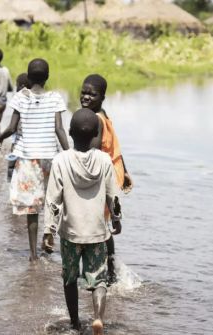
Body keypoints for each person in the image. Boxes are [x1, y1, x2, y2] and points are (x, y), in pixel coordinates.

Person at [42, 108, 122, 335]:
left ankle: (75, 323)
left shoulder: (61, 160)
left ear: (69, 132)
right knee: (99, 280)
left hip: (70, 234)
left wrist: (48, 231)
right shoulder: (105, 160)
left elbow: (52, 201)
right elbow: (112, 196)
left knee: (69, 279)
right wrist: (116, 219)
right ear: (96, 134)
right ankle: (97, 318)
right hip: (97, 233)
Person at [0, 59, 69, 261]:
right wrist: (69, 152)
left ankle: (34, 254)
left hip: (28, 159)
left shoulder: (20, 97)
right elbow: (59, 129)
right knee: (52, 201)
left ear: (28, 77)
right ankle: (49, 235)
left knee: (32, 207)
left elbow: (11, 128)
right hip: (49, 158)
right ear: (47, 77)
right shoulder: (55, 98)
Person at [80, 74, 133, 285]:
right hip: (113, 172)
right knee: (103, 223)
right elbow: (116, 148)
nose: (86, 97)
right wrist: (125, 172)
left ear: (102, 97)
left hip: (104, 177)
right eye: (83, 92)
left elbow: (92, 151)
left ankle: (97, 270)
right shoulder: (103, 114)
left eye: (92, 94)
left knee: (96, 224)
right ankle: (111, 266)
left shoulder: (96, 119)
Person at [5, 73, 30, 182]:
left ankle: (11, 184)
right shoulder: (34, 98)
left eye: (17, 85)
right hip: (29, 143)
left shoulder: (19, 97)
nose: (15, 88)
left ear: (22, 86)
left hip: (18, 141)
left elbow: (12, 127)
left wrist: (0, 138)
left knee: (12, 165)